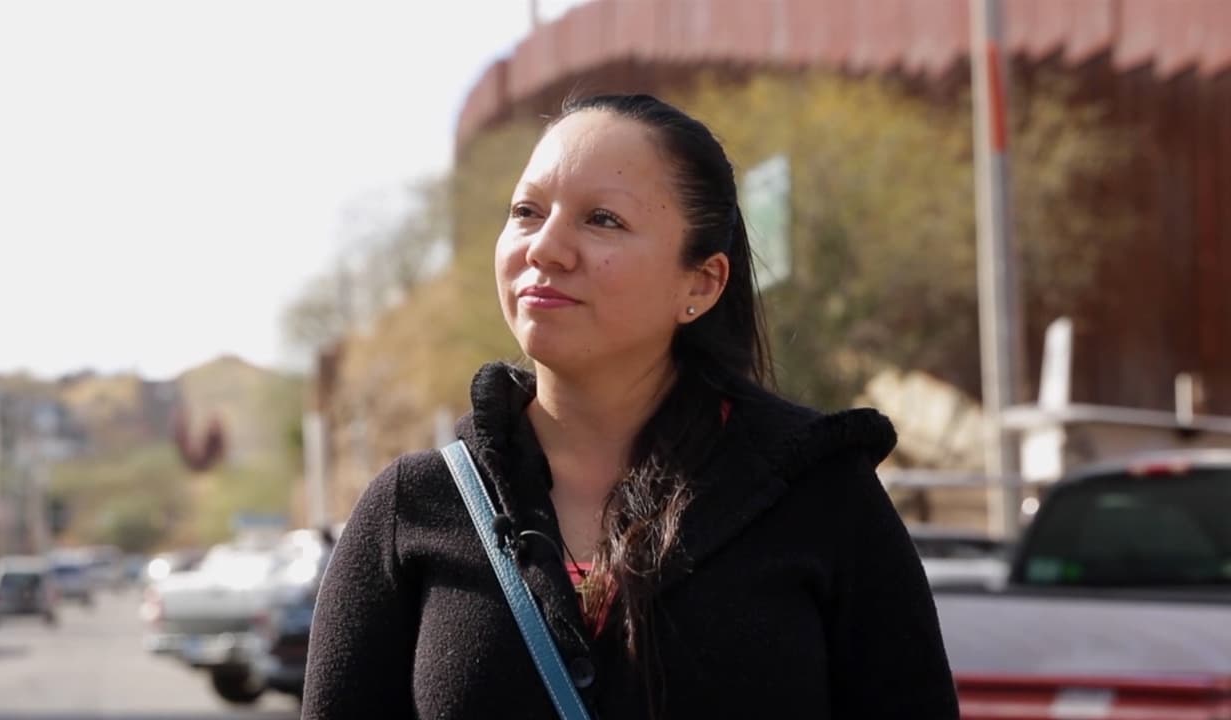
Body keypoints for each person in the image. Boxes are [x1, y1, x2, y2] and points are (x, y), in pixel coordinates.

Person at [302, 94, 959, 719]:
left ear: (700, 283)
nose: (545, 248)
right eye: (527, 211)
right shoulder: (414, 507)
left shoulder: (819, 496)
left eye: (603, 219)